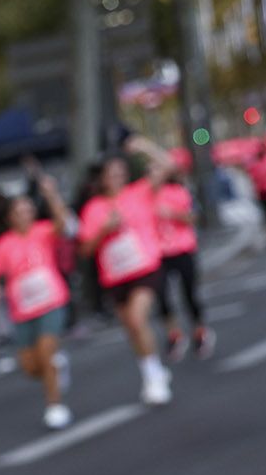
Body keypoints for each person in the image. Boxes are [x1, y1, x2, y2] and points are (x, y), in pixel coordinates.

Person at [76, 136, 176, 406]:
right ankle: (151, 369)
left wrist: (144, 147)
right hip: (115, 275)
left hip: (144, 267)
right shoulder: (93, 208)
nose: (118, 177)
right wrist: (105, 230)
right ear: (103, 179)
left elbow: (168, 165)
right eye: (112, 174)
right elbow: (85, 249)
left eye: (121, 172)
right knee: (131, 328)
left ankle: (154, 376)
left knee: (136, 318)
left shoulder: (138, 193)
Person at [0, 175, 76, 429]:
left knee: (46, 352)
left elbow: (64, 225)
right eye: (19, 211)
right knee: (31, 367)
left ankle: (55, 406)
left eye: (28, 210)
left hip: (51, 302)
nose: (25, 215)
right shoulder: (4, 245)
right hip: (23, 310)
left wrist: (51, 194)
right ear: (10, 217)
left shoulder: (44, 231)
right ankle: (57, 368)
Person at [153, 167, 214, 361]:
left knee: (189, 292)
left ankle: (199, 331)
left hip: (182, 248)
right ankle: (174, 335)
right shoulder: (144, 196)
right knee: (161, 296)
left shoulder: (178, 192)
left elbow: (194, 217)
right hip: (157, 253)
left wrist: (173, 214)